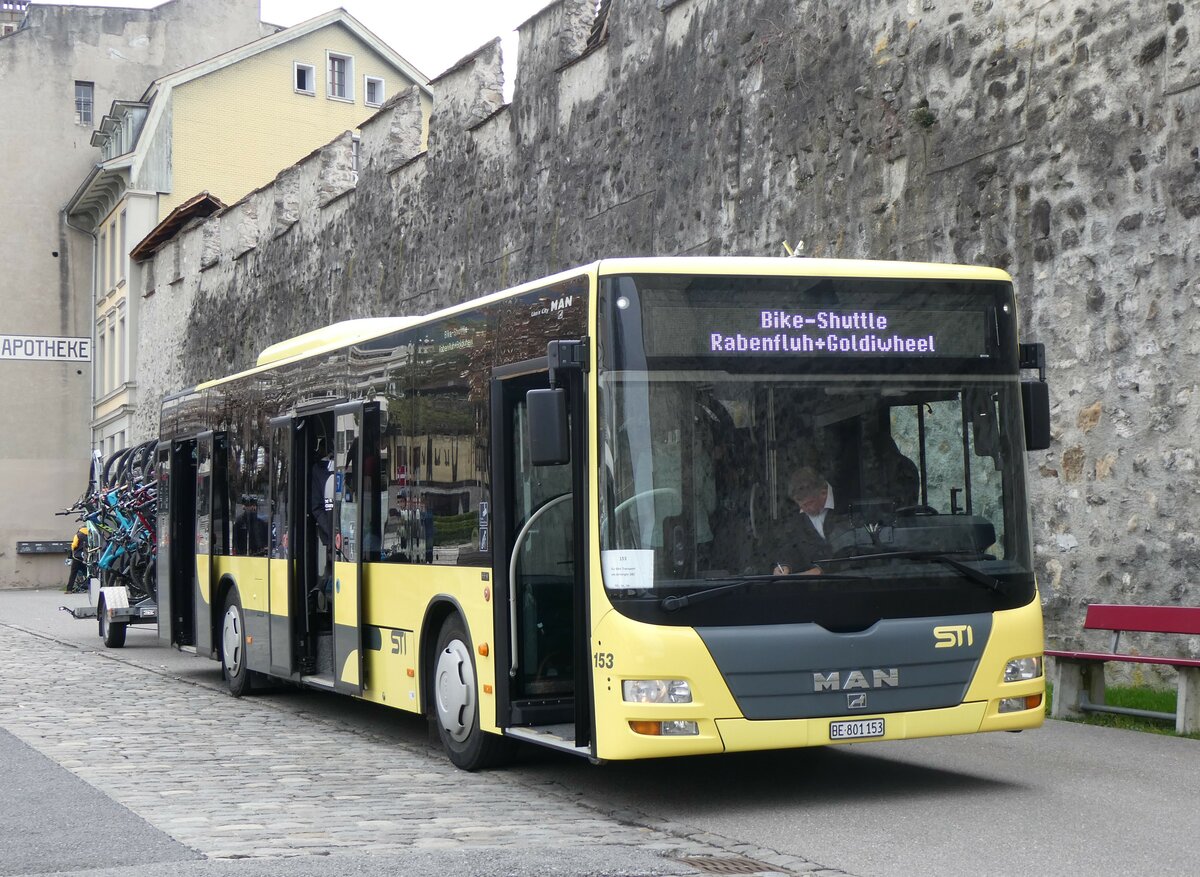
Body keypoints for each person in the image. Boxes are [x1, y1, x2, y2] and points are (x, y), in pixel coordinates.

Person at [770, 466, 848, 575]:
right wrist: (784, 565)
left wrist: (822, 570)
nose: (805, 509)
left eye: (809, 503)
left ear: (823, 493)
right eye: (801, 505)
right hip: (808, 587)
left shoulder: (848, 502)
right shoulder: (793, 514)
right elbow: (791, 545)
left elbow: (854, 546)